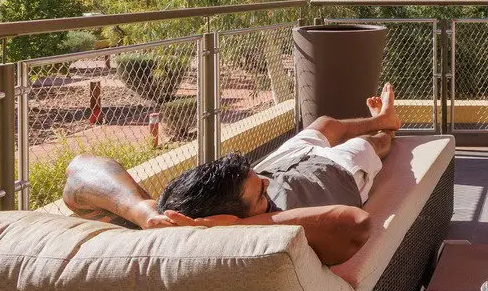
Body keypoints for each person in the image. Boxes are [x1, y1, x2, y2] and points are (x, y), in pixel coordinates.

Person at [61, 83, 402, 265]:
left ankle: (382, 118)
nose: (265, 187)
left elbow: (79, 168)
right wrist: (234, 227)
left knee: (325, 124)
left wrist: (143, 211)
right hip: (332, 172)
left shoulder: (174, 214)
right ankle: (386, 130)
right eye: (260, 196)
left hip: (278, 164)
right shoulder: (268, 233)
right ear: (229, 218)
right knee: (372, 145)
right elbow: (355, 223)